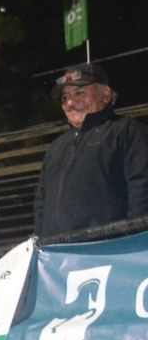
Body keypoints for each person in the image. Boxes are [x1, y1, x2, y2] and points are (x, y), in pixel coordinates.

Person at [34, 63, 148, 238]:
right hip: (58, 257)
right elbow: (41, 203)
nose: (70, 102)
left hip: (108, 252)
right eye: (65, 97)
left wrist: (134, 242)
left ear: (106, 95)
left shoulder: (129, 132)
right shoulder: (55, 148)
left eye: (80, 93)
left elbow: (141, 189)